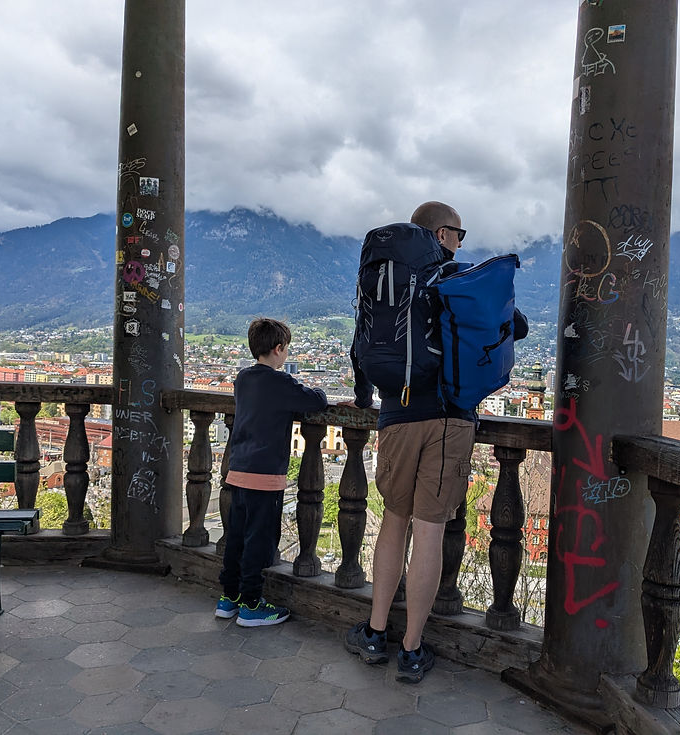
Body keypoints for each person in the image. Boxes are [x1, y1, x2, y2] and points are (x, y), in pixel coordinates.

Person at [344, 201, 528, 682]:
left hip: (395, 414)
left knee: (393, 523)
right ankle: (411, 649)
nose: (461, 243)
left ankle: (374, 631)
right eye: (459, 234)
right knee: (428, 531)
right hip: (448, 419)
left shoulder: (387, 278)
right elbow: (514, 322)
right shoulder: (453, 278)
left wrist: (365, 396)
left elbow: (361, 339)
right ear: (443, 233)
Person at [215, 317, 328, 627]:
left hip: (238, 471)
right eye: (286, 349)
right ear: (279, 349)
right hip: (265, 477)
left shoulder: (242, 379)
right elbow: (317, 400)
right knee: (259, 541)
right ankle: (252, 604)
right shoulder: (281, 383)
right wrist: (311, 387)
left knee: (236, 537)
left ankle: (229, 598)